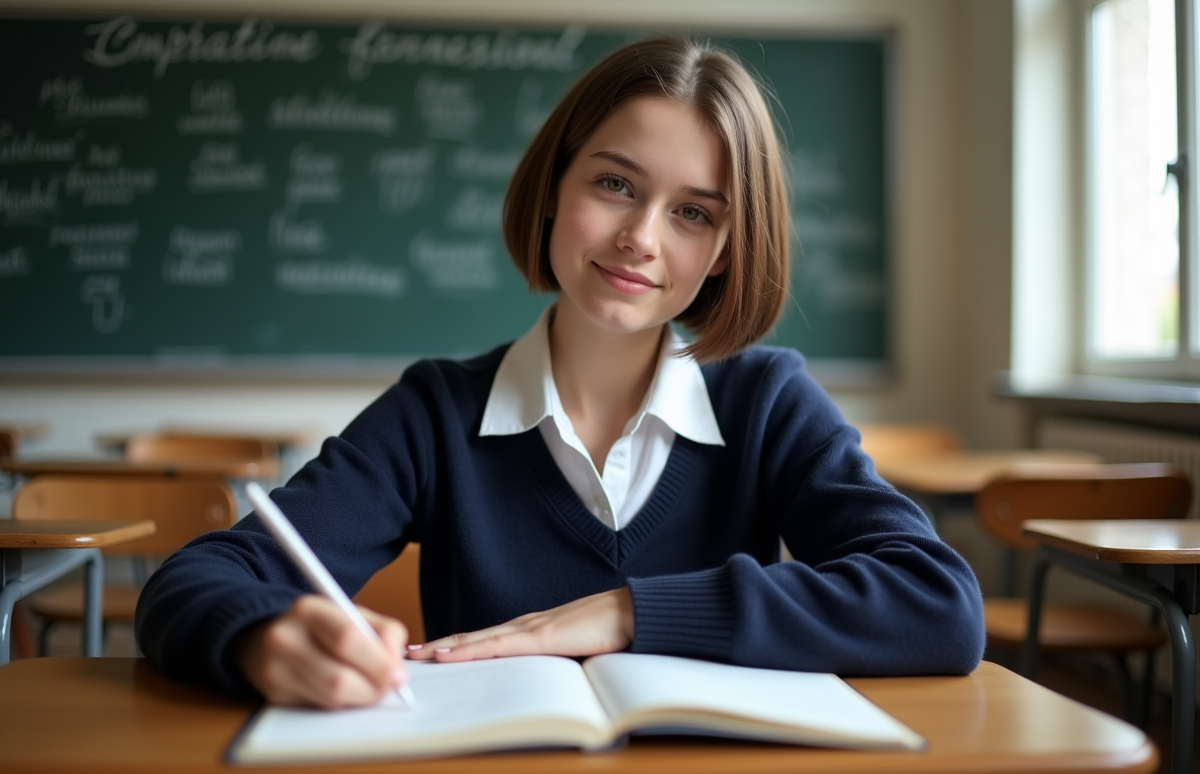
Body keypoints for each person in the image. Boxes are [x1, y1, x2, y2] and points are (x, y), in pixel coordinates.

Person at [135, 36, 985, 708]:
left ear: (726, 251)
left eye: (693, 213)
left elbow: (938, 604)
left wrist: (627, 613)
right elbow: (194, 581)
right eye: (616, 184)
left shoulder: (766, 400)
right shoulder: (436, 412)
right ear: (553, 188)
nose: (641, 238)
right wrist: (260, 636)